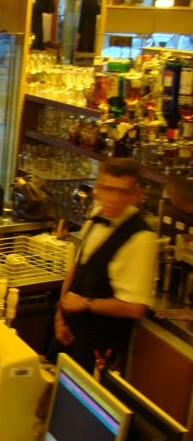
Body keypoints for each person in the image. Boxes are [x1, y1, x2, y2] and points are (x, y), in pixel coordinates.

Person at [53, 159, 158, 374]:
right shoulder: (96, 216)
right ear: (97, 189)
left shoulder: (142, 238)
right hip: (69, 331)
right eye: (108, 189)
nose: (114, 199)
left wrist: (85, 303)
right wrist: (60, 312)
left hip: (99, 345)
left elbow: (135, 308)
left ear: (135, 195)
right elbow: (78, 265)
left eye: (123, 192)